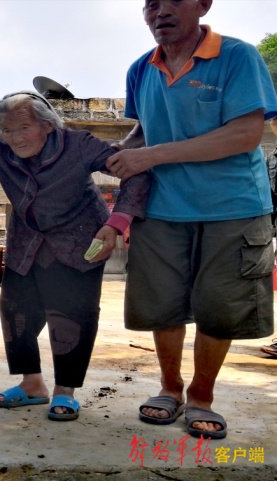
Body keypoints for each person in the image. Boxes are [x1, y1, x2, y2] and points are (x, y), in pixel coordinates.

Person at [0, 91, 150, 420]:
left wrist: (116, 224)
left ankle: (65, 392)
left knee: (71, 314)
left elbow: (134, 173)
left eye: (23, 128)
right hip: (27, 242)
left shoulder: (78, 144)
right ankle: (32, 384)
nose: (14, 138)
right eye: (6, 130)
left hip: (79, 240)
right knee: (15, 311)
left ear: (47, 125)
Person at [106, 0, 277, 439]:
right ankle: (169, 388)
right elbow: (145, 131)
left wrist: (152, 155)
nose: (159, 11)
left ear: (202, 4)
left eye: (173, 1)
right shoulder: (141, 68)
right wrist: (106, 157)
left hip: (232, 206)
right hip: (162, 207)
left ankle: (202, 395)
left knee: (220, 307)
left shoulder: (237, 57)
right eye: (150, 4)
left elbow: (246, 134)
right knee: (162, 304)